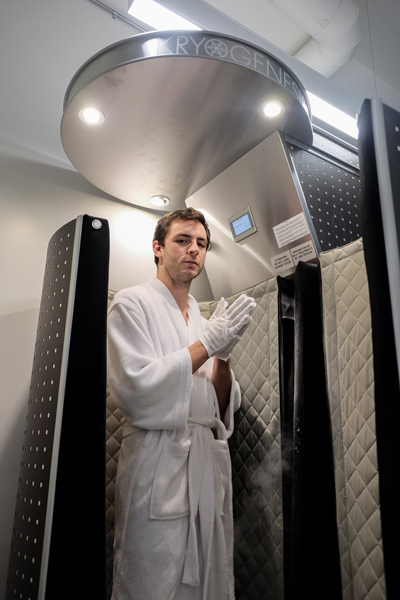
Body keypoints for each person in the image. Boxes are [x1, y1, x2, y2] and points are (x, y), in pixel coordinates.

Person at [107, 207, 256, 600]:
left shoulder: (203, 322)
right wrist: (207, 345)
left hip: (204, 461)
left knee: (208, 574)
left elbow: (222, 409)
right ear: (158, 247)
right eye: (183, 240)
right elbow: (137, 389)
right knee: (152, 576)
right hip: (159, 462)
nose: (194, 250)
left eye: (202, 244)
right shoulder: (131, 304)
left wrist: (222, 355)